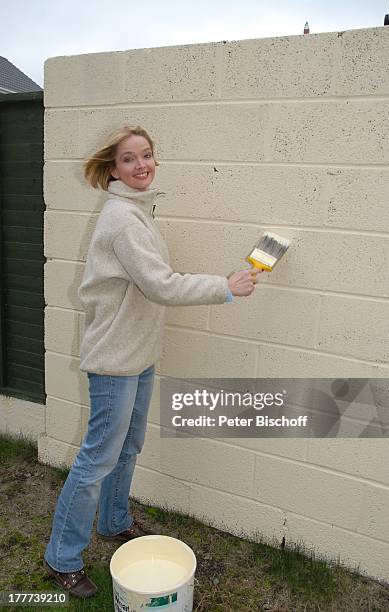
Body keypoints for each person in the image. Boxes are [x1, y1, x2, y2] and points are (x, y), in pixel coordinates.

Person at [43, 125, 261, 597]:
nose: (142, 164)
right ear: (112, 169)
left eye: (147, 155)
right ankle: (61, 559)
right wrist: (225, 287)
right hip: (114, 360)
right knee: (97, 458)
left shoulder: (138, 211)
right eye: (129, 158)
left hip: (138, 354)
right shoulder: (122, 219)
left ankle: (115, 521)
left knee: (128, 445)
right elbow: (160, 284)